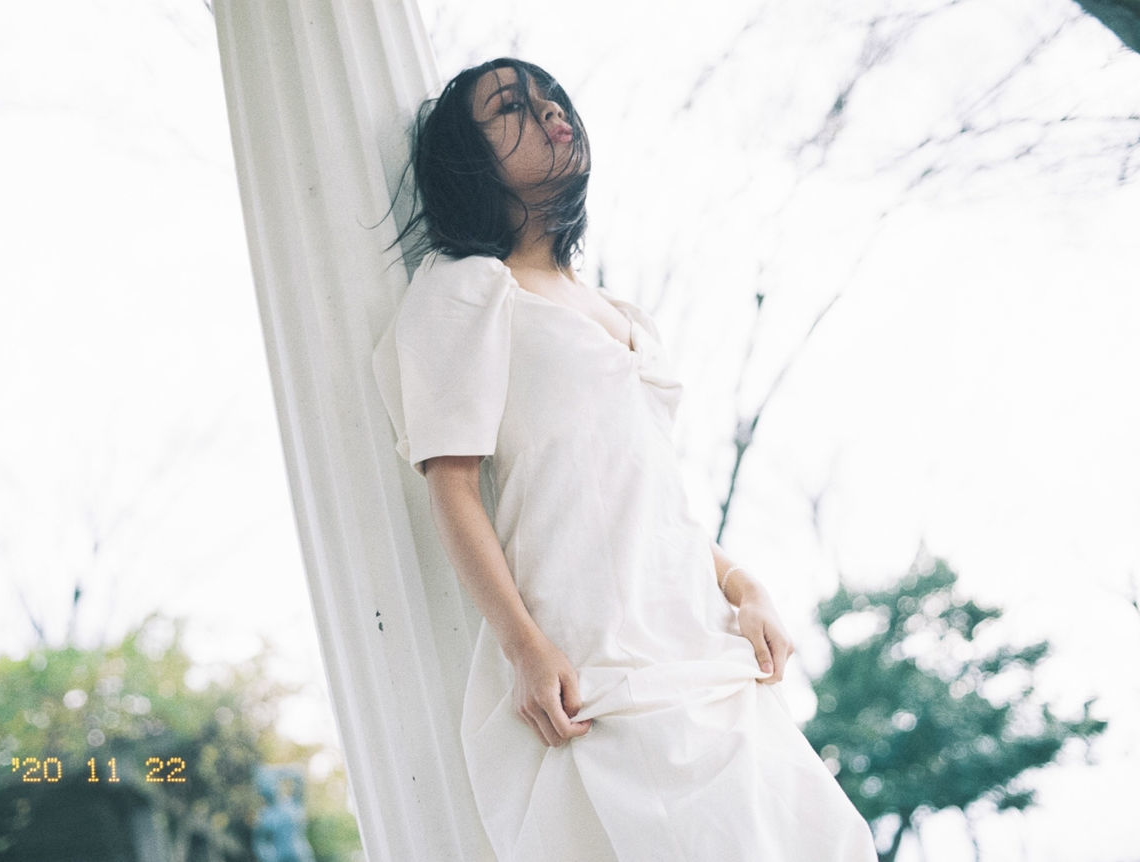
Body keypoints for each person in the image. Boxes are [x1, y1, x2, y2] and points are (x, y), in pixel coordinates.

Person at [371, 57, 877, 862]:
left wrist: (744, 586)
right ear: (469, 160)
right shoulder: (468, 291)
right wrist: (526, 649)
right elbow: (453, 488)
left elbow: (642, 495)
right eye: (510, 106)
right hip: (598, 665)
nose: (548, 112)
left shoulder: (620, 310)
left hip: (708, 650)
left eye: (553, 98)